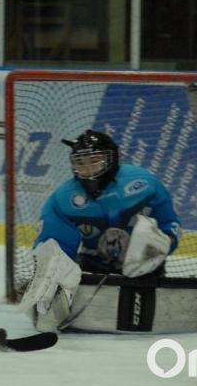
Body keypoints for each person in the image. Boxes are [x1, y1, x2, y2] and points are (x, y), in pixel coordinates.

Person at [20, 130, 184, 332]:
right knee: (52, 258)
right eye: (80, 163)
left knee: (147, 235)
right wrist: (51, 277)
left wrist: (162, 243)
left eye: (94, 161)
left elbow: (169, 225)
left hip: (143, 269)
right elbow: (53, 245)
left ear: (111, 159)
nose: (87, 169)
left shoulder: (145, 184)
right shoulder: (63, 199)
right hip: (92, 267)